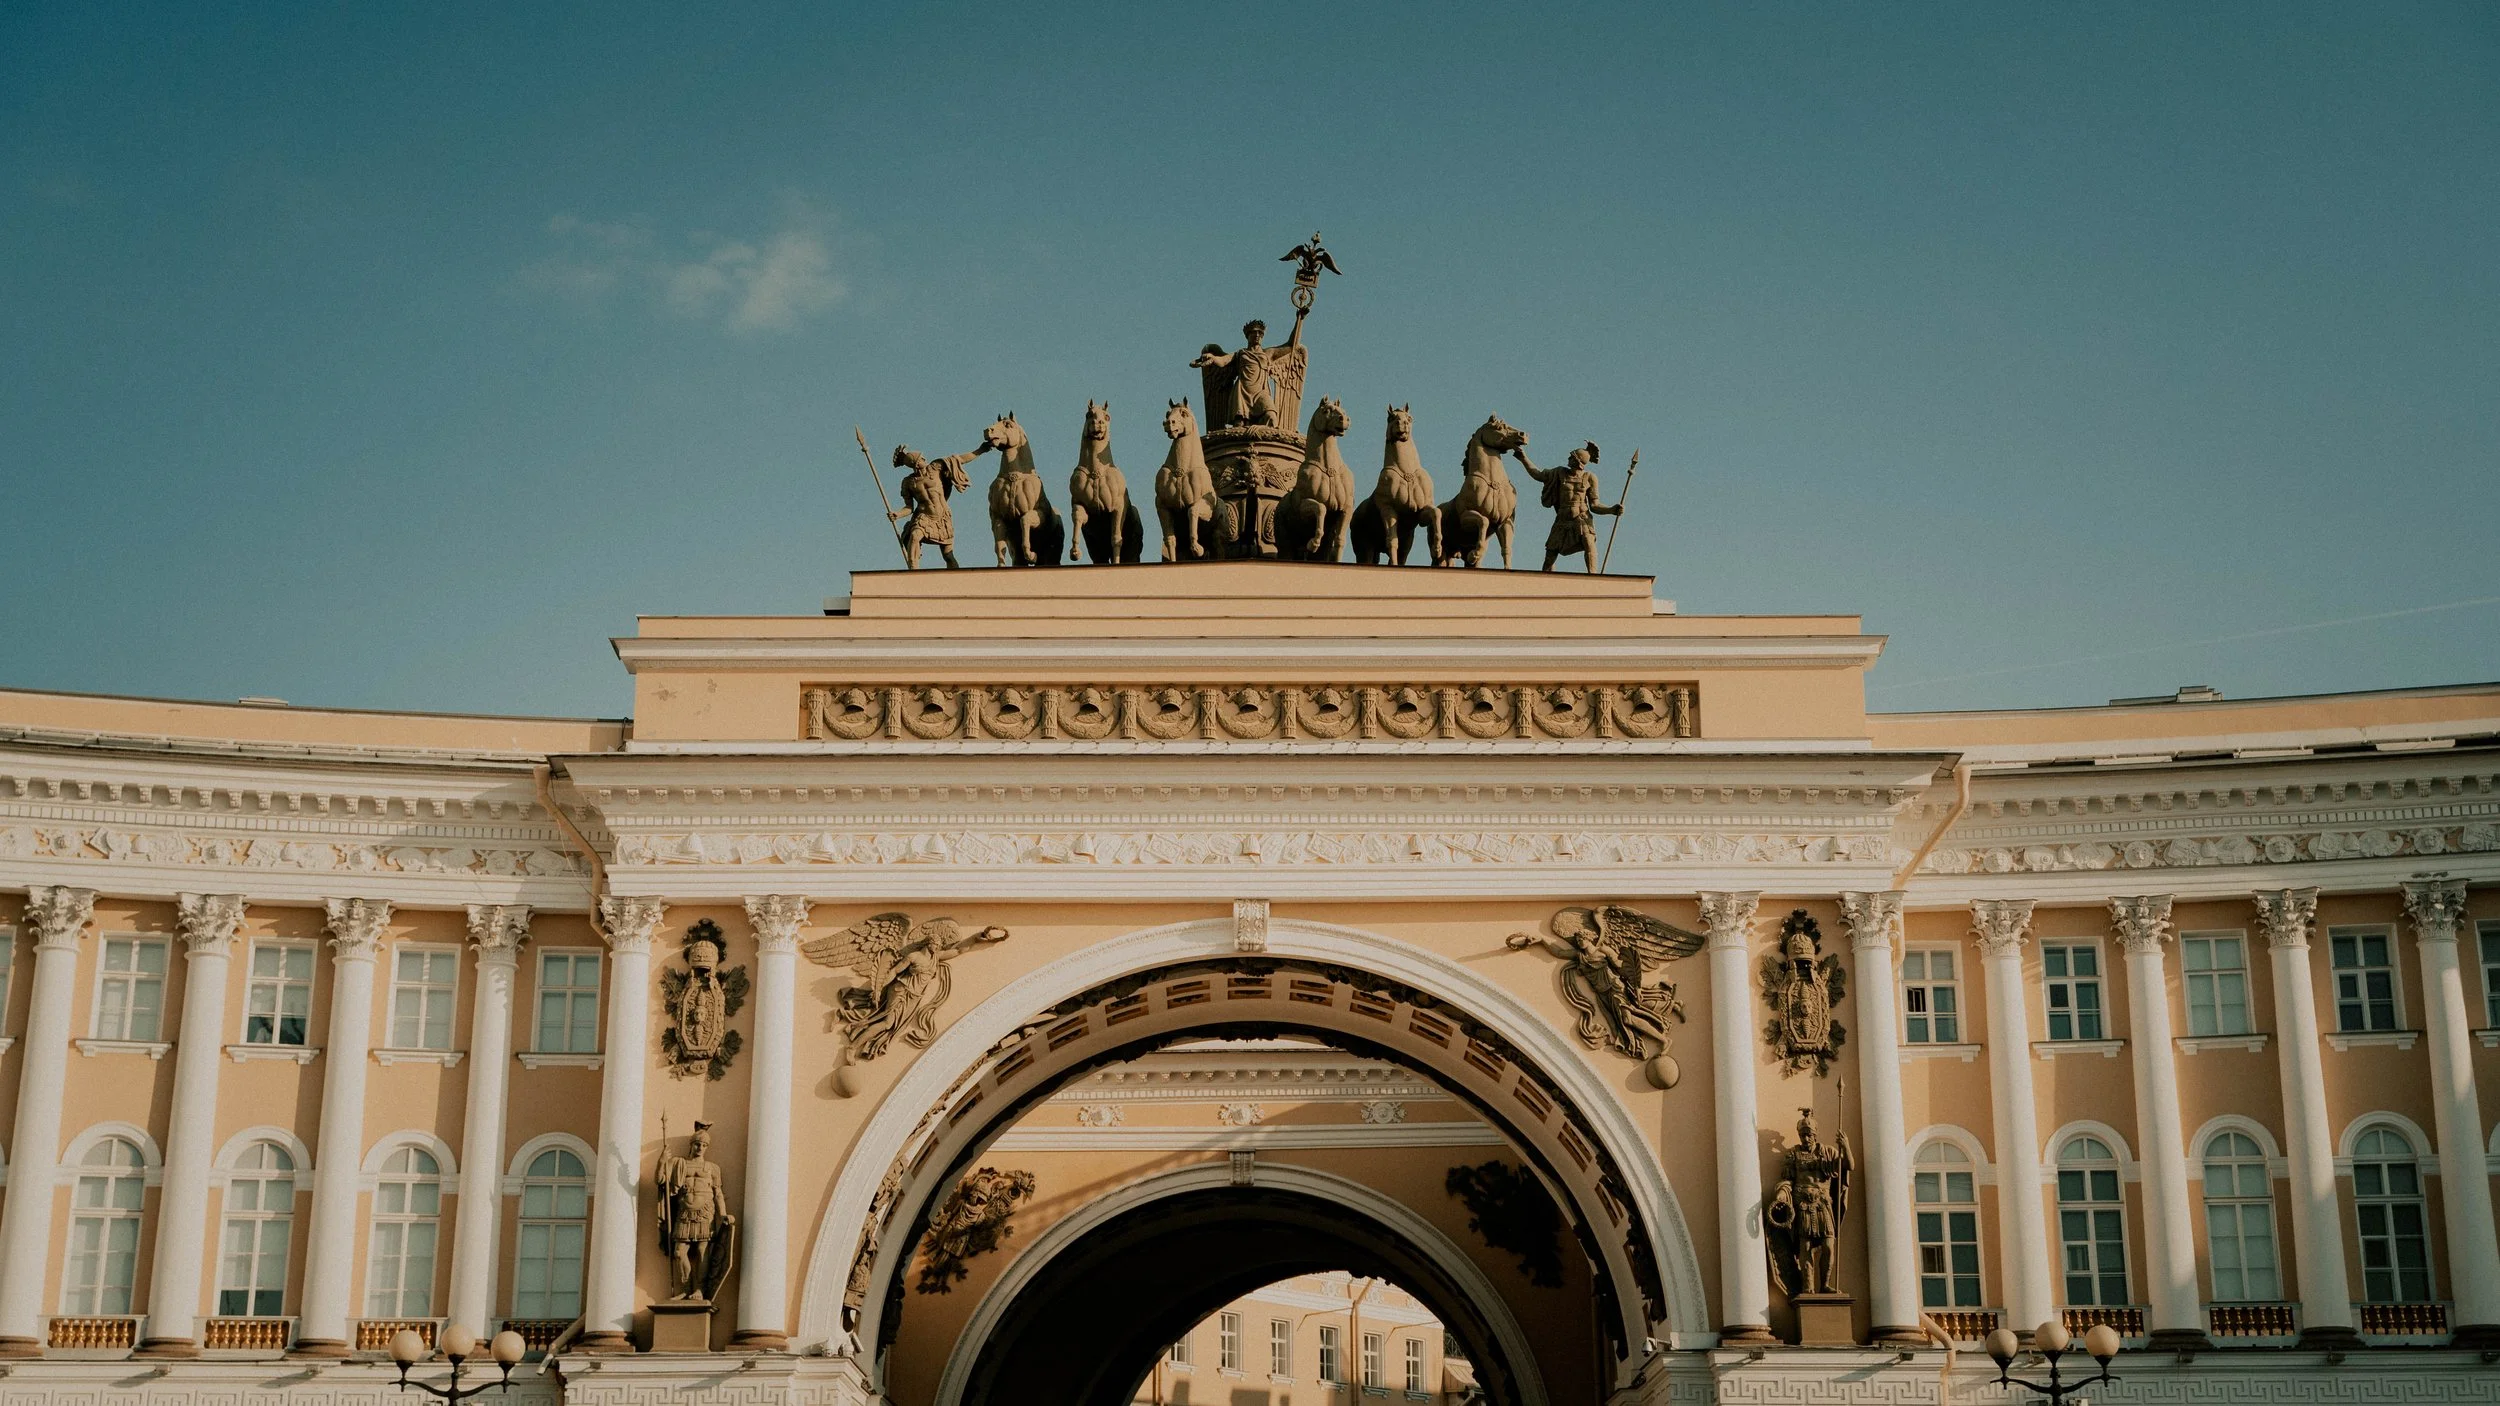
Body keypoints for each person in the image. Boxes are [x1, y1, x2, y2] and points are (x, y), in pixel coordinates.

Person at [1513, 440, 1620, 573]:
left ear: (1578, 461)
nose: (1568, 459)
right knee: (1551, 552)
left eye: (1572, 457)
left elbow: (1595, 505)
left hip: (1582, 518)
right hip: (1563, 518)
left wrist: (1611, 510)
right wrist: (1523, 458)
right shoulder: (1559, 472)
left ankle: (1593, 576)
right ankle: (1544, 581)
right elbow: (1538, 475)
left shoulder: (1590, 477)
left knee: (1589, 542)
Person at [891, 441, 989, 569]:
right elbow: (909, 507)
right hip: (923, 517)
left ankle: (958, 581)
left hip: (942, 517)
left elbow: (959, 460)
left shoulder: (935, 468)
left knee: (948, 555)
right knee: (914, 536)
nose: (925, 459)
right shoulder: (908, 482)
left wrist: (980, 450)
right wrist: (897, 514)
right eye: (921, 458)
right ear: (916, 464)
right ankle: (913, 570)